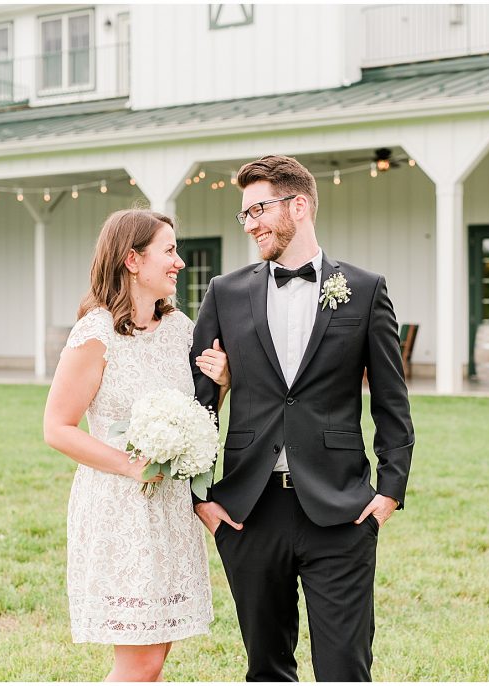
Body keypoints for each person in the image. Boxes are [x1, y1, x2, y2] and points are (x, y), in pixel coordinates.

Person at [190, 155, 414, 681]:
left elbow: (391, 400)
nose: (249, 225)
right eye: (243, 215)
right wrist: (200, 499)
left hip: (341, 510)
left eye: (258, 210)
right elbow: (197, 403)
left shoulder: (365, 288)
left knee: (344, 669)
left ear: (300, 205)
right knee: (266, 669)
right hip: (250, 511)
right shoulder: (225, 292)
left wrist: (390, 491)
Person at [43, 209, 230, 682]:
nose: (180, 262)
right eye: (168, 251)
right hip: (119, 509)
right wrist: (129, 467)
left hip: (168, 509)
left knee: (155, 658)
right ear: (131, 259)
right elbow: (57, 427)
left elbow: (196, 417)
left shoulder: (181, 331)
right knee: (140, 663)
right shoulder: (95, 334)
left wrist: (222, 385)